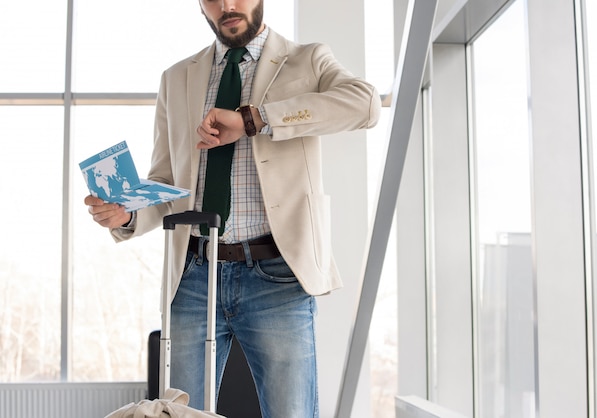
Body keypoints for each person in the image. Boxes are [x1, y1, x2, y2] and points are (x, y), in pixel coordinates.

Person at [85, 0, 381, 416]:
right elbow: (168, 182)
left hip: (277, 275)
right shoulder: (176, 79)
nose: (226, 5)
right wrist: (129, 215)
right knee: (179, 413)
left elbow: (364, 104)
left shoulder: (307, 60)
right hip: (193, 278)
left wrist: (253, 119)